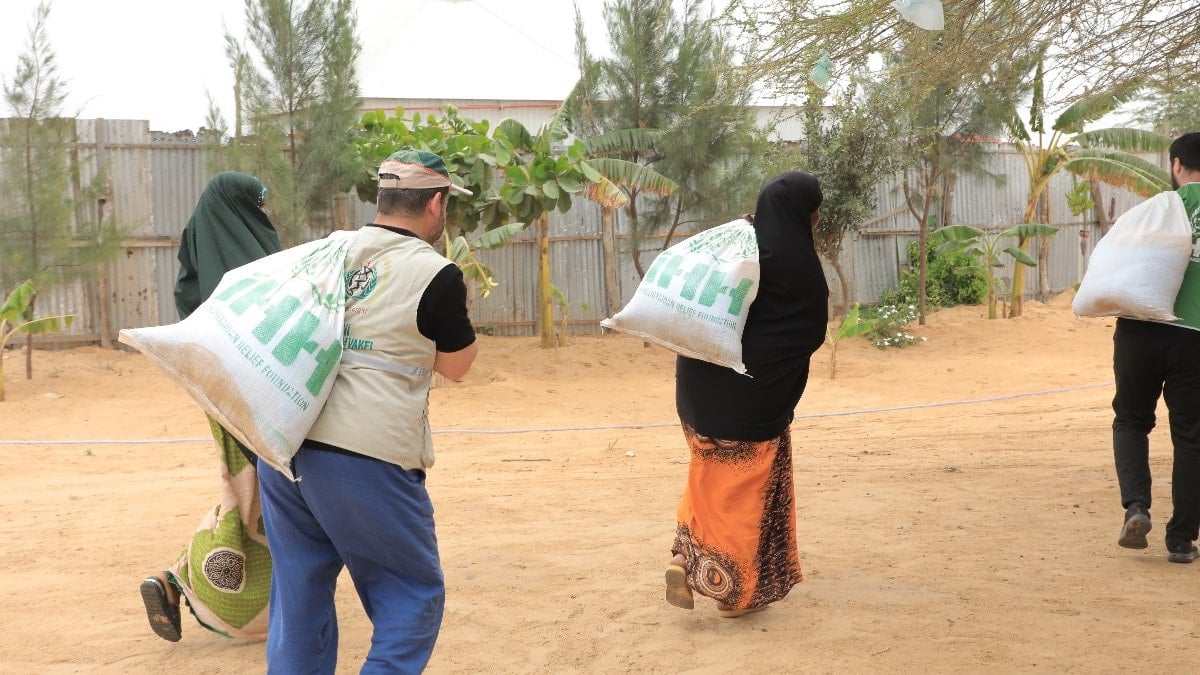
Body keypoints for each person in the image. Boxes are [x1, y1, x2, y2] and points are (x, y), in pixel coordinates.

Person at [256, 149, 478, 673]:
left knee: (299, 595)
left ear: (382, 199)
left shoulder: (324, 251)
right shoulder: (436, 273)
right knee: (410, 593)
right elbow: (457, 366)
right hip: (367, 454)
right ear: (436, 203)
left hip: (285, 442)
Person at [665, 171, 827, 617]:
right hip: (749, 406)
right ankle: (733, 593)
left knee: (707, 475)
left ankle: (682, 558)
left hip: (695, 392)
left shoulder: (736, 246)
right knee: (739, 498)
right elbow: (809, 332)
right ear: (804, 212)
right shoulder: (796, 267)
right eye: (815, 209)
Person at [140, 171, 282, 641]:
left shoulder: (201, 244)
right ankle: (181, 578)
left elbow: (189, 305)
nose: (265, 213)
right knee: (261, 500)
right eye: (258, 204)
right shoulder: (258, 265)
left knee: (250, 494)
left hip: (219, 396)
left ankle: (179, 579)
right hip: (268, 399)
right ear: (241, 208)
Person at [1114, 131, 1200, 564]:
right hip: (1196, 337)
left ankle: (1136, 507)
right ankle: (1182, 541)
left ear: (1176, 166)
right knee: (1192, 437)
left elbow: (1116, 267)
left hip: (1139, 328)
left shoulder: (1153, 211)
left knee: (1130, 420)